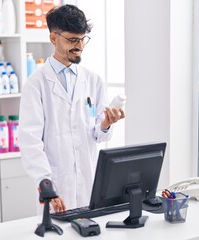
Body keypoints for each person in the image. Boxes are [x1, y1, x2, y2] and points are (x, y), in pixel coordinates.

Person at [19, 4, 125, 213]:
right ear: (53, 38)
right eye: (72, 40)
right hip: (57, 187)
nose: (80, 46)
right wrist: (45, 183)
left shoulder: (93, 81)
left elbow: (99, 136)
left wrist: (105, 124)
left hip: (89, 183)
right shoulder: (36, 84)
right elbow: (30, 142)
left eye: (83, 39)